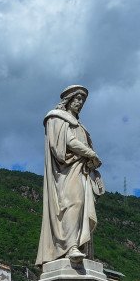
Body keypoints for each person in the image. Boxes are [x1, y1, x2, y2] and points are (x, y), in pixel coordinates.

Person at [36, 84, 104, 265]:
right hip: (66, 170)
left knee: (83, 207)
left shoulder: (81, 126)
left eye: (82, 100)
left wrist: (94, 170)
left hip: (82, 171)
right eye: (77, 99)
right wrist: (91, 154)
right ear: (68, 100)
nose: (80, 103)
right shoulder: (57, 118)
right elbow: (68, 141)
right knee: (73, 203)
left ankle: (81, 247)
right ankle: (70, 245)